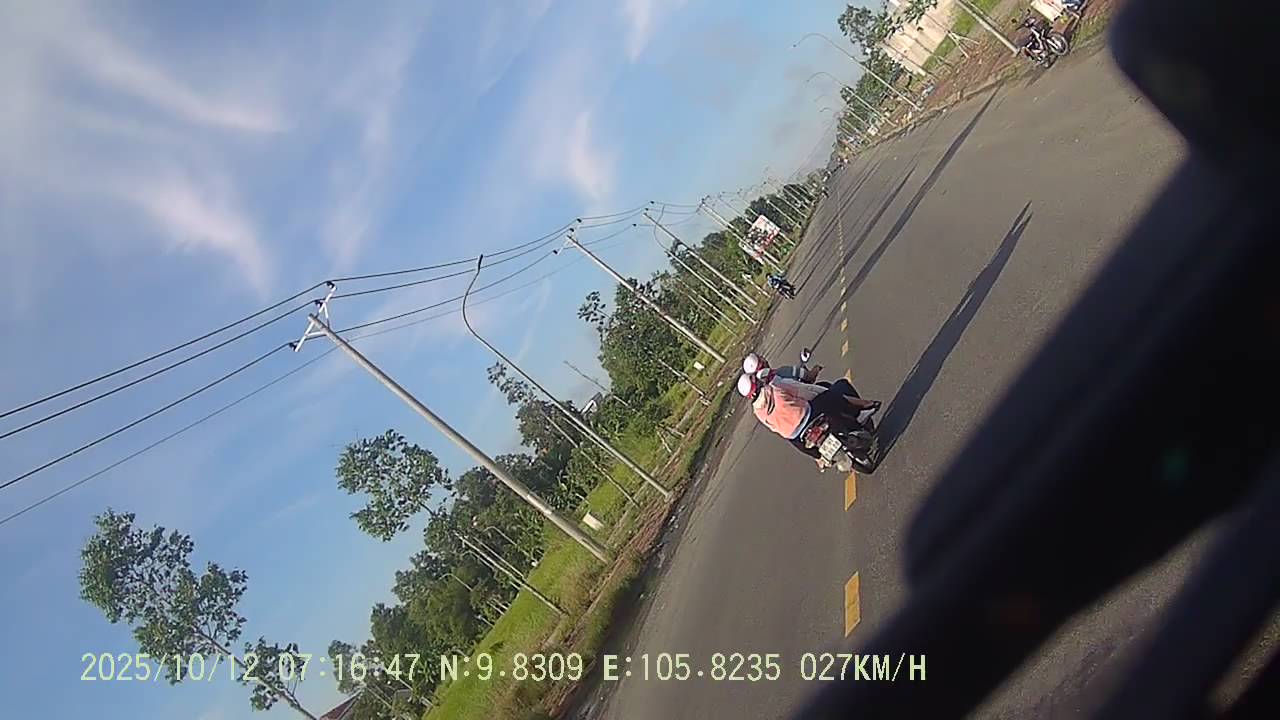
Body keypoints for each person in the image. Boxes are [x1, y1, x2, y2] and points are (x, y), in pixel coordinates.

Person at [737, 369, 880, 467]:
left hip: (795, 437)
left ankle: (823, 460)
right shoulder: (774, 387)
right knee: (831, 397)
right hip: (809, 414)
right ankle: (861, 411)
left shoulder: (758, 412)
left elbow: (775, 428)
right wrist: (822, 393)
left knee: (818, 456)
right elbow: (805, 391)